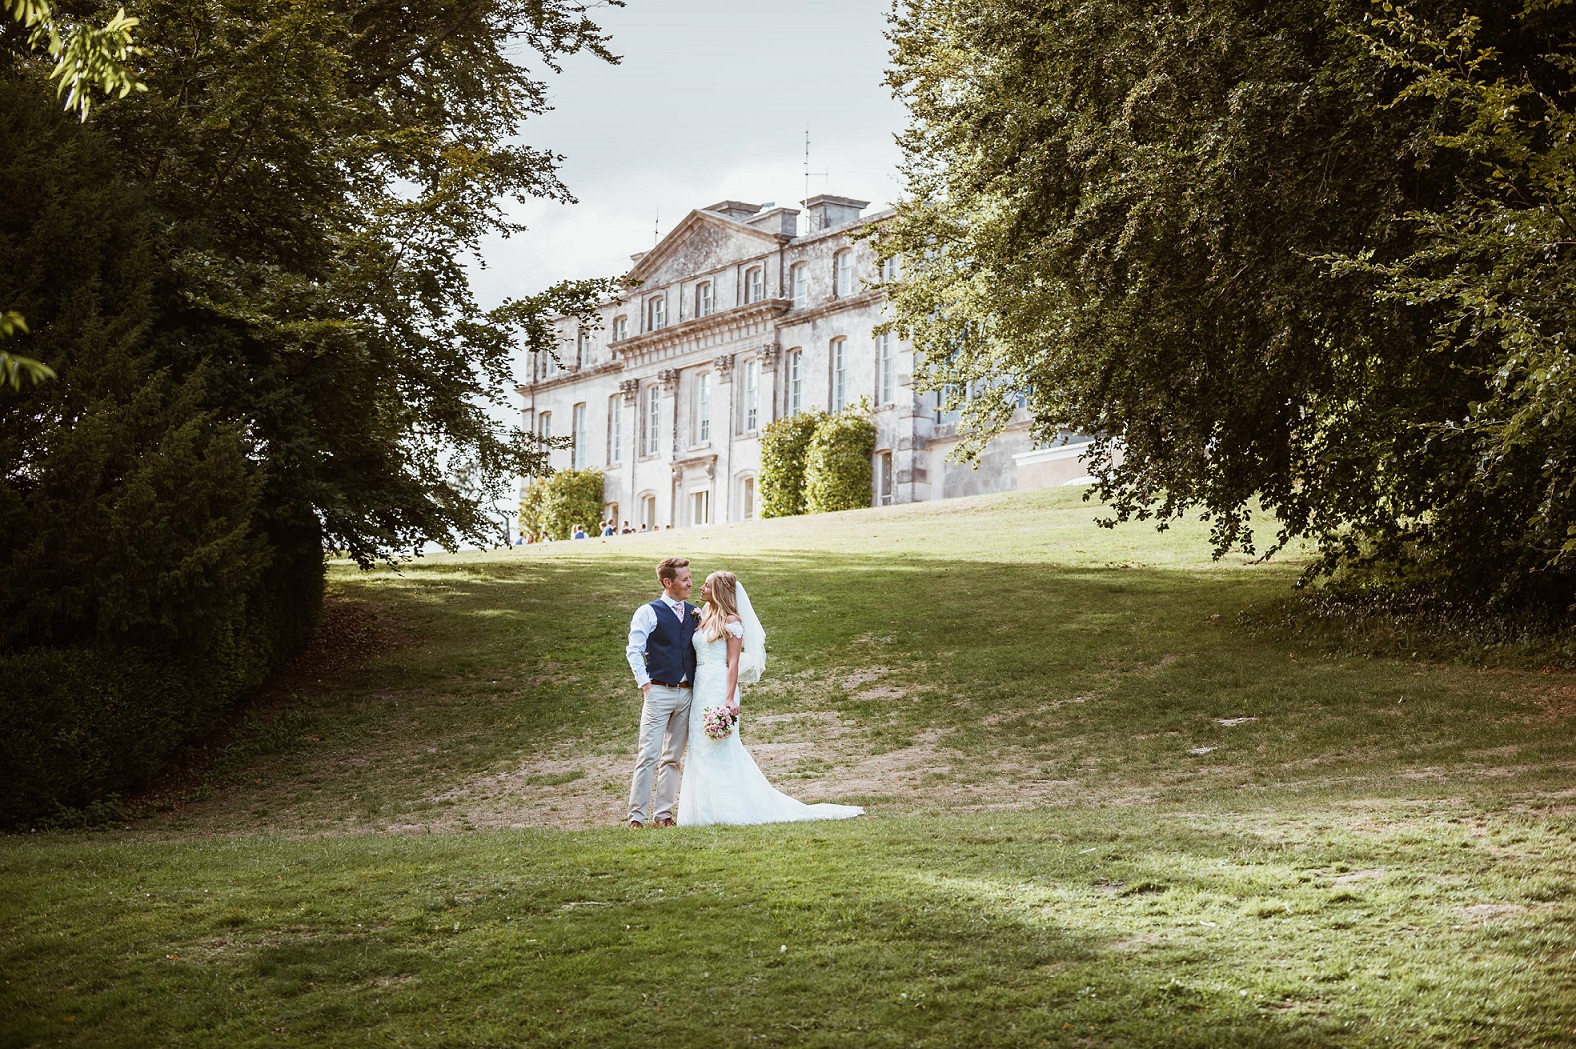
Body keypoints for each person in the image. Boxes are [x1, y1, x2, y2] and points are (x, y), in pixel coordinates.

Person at [678, 571, 864, 826]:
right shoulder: (703, 616)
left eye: (706, 585)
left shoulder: (732, 622)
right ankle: (700, 813)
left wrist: (729, 699)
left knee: (720, 747)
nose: (701, 587)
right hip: (700, 688)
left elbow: (732, 663)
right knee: (699, 747)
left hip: (719, 687)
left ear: (718, 591)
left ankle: (727, 810)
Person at [623, 557, 696, 828]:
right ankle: (636, 817)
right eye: (684, 579)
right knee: (648, 755)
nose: (690, 582)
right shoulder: (649, 611)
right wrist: (645, 684)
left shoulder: (694, 612)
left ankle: (663, 815)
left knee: (673, 758)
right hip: (659, 691)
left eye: (690, 577)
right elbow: (634, 649)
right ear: (668, 582)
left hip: (687, 694)